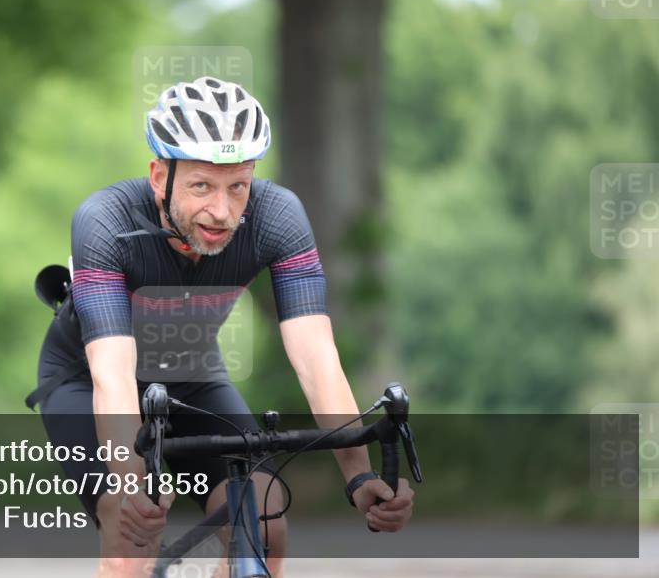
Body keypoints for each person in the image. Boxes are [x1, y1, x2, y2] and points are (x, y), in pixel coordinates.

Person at [28, 76, 414, 577]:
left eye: (238, 186)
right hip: (87, 379)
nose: (222, 211)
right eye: (201, 186)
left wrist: (359, 477)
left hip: (191, 376)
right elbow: (113, 376)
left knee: (265, 516)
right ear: (157, 176)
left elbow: (317, 360)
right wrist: (131, 484)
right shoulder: (106, 222)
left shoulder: (278, 218)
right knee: (131, 535)